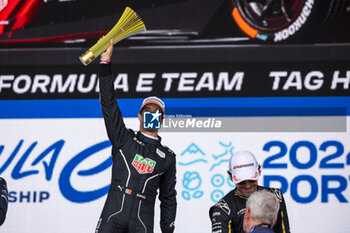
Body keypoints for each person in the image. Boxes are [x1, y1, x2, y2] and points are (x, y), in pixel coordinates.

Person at [95, 39, 177, 233]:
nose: (151, 115)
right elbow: (109, 105)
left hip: (142, 222)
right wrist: (105, 64)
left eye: (156, 113)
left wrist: (168, 231)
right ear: (140, 115)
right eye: (147, 111)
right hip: (113, 218)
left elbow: (168, 199)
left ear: (162, 120)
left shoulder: (168, 157)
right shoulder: (124, 138)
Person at [209, 151, 290, 233]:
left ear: (259, 171)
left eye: (252, 180)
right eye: (241, 182)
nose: (247, 186)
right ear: (230, 176)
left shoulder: (275, 196)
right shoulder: (222, 209)